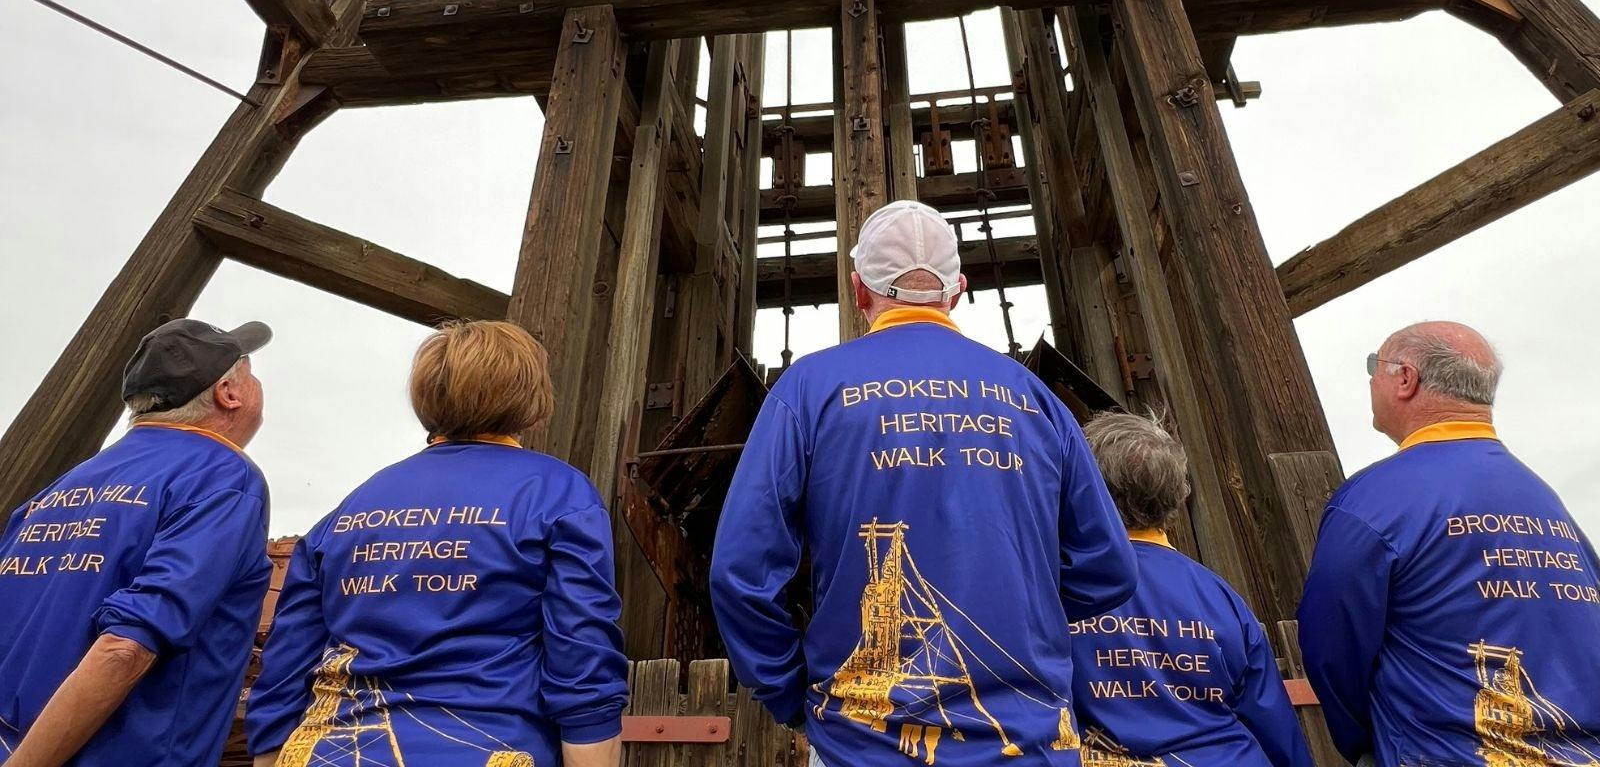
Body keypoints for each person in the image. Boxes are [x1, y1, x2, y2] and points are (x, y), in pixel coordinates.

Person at [710, 199, 1136, 766]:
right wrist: (1026, 611)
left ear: (858, 290)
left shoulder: (808, 390)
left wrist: (790, 696)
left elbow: (739, 572)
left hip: (859, 746)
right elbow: (1109, 566)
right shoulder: (1036, 401)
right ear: (956, 290)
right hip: (1030, 741)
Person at [246, 319, 628, 767]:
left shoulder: (348, 511)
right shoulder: (560, 493)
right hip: (490, 750)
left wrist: (270, 755)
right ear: (533, 400)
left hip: (330, 751)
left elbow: (285, 666)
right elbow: (581, 658)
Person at [1299, 321, 1600, 767]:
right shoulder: (1547, 503)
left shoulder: (1374, 499)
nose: (1370, 380)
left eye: (1374, 367)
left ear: (1405, 379)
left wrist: (1369, 740)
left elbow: (1330, 647)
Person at [0, 318, 274, 767]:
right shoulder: (224, 476)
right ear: (229, 392)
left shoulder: (57, 490)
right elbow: (127, 646)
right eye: (250, 372)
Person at [1069, 412, 1312, 767]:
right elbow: (1274, 727)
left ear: (1084, 489)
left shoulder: (1053, 591)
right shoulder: (1219, 596)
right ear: (1176, 495)